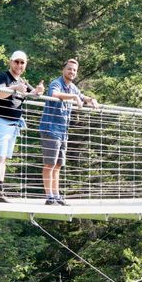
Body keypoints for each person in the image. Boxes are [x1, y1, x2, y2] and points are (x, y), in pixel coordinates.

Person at [0, 50, 44, 203]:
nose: (19, 65)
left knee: (4, 158)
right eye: (16, 62)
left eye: (22, 62)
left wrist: (38, 90)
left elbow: (32, 93)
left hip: (12, 124)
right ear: (10, 62)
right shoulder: (3, 77)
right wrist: (15, 88)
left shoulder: (21, 81)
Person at [38, 59, 98, 205]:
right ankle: (49, 197)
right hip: (50, 129)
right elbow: (54, 94)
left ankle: (56, 195)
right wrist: (74, 97)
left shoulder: (72, 88)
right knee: (50, 164)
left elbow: (83, 97)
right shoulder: (57, 83)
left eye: (74, 70)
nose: (72, 72)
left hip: (63, 131)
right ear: (63, 70)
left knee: (58, 165)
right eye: (69, 69)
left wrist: (92, 100)